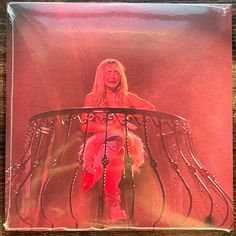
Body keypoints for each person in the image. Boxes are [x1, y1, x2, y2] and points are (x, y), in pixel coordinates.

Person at [79, 58, 155, 222]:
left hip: (120, 140)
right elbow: (84, 126)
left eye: (116, 73)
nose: (113, 76)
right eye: (108, 72)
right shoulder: (91, 98)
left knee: (114, 156)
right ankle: (115, 211)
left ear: (121, 77)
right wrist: (109, 127)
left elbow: (150, 108)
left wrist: (126, 118)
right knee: (111, 170)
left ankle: (94, 174)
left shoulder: (127, 97)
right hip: (100, 138)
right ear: (101, 76)